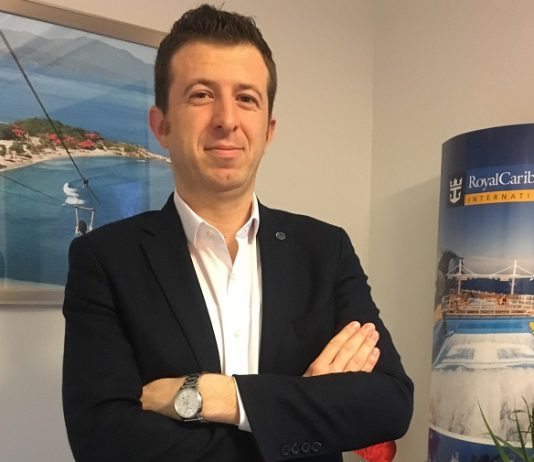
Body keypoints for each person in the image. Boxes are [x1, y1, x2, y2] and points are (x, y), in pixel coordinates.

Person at [62, 4, 413, 462]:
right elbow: (102, 441)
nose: (227, 119)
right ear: (161, 125)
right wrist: (300, 409)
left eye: (246, 98)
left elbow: (389, 404)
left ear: (268, 130)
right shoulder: (105, 259)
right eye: (201, 94)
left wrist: (220, 397)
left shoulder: (325, 251)